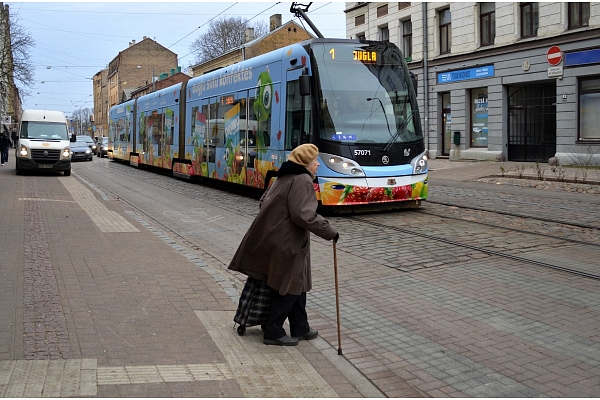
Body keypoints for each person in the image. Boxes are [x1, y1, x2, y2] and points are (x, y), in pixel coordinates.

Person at [228, 143, 339, 346]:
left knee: (298, 282)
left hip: (277, 238)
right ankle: (273, 330)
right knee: (290, 285)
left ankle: (300, 326)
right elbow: (303, 215)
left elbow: (264, 201)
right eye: (315, 161)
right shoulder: (302, 179)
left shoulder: (284, 176)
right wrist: (329, 231)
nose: (317, 165)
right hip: (288, 242)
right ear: (306, 162)